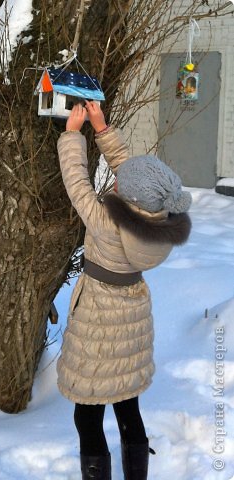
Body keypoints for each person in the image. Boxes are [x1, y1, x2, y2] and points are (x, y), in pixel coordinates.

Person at [56, 102, 192, 480]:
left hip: (99, 322)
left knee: (87, 415)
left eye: (119, 186)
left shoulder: (104, 223)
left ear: (128, 199)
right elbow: (133, 175)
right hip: (131, 321)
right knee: (127, 407)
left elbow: (77, 183)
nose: (115, 182)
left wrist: (72, 134)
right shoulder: (157, 219)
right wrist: (102, 129)